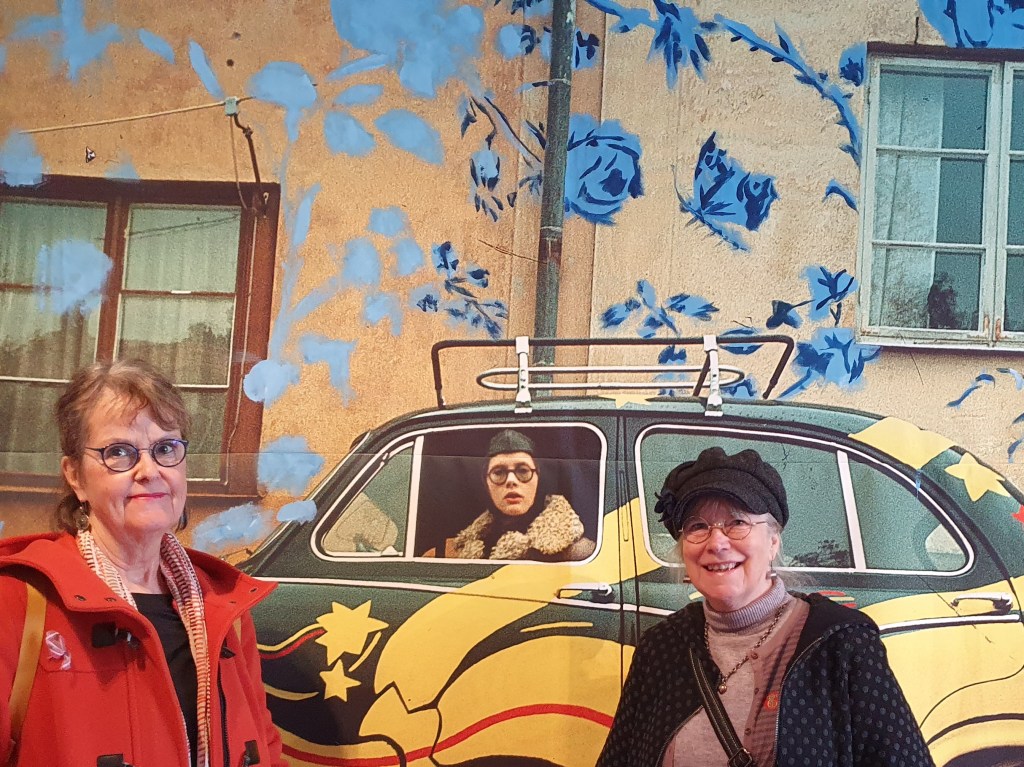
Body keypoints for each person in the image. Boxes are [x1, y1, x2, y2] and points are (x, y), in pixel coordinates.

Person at [0, 359, 287, 767]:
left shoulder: (224, 606)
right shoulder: (17, 600)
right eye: (119, 452)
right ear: (75, 476)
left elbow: (265, 746)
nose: (149, 471)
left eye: (165, 449)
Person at [597, 447, 933, 767]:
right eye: (698, 527)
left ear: (773, 542)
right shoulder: (661, 649)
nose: (717, 542)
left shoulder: (842, 644)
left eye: (737, 522)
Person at [446, 429, 595, 561]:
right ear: (486, 482)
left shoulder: (578, 554)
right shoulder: (461, 551)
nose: (511, 480)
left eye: (523, 471)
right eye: (499, 472)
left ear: (538, 479)